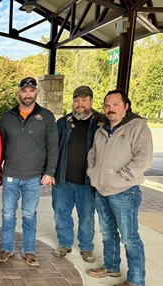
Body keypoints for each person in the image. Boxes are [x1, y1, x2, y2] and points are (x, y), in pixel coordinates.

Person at [87, 89, 153, 286]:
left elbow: (144, 157)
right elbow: (92, 156)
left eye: (116, 104)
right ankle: (111, 266)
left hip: (124, 191)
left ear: (126, 106)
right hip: (102, 190)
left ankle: (136, 280)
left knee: (129, 236)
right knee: (107, 232)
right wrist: (93, 173)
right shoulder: (101, 130)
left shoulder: (137, 127)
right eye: (107, 105)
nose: (110, 109)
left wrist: (123, 176)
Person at [0, 76, 59, 267]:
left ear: (36, 92)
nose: (28, 94)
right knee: (7, 213)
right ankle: (7, 249)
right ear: (18, 93)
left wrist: (50, 172)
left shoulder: (46, 116)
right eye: (24, 91)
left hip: (34, 177)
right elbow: (0, 146)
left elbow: (53, 146)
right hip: (11, 175)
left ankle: (29, 251)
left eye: (31, 91)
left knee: (29, 214)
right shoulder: (7, 117)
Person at [52, 86, 102, 263]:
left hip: (87, 181)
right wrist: (50, 172)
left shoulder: (100, 123)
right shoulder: (63, 122)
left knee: (87, 215)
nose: (79, 104)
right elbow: (53, 148)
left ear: (91, 102)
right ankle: (65, 243)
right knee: (61, 213)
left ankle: (86, 247)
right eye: (76, 101)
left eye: (84, 100)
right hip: (63, 179)